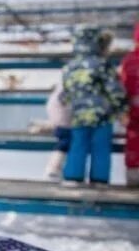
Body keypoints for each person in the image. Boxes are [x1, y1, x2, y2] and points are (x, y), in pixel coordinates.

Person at [60, 26, 127, 186]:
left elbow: (66, 90)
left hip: (78, 114)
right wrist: (121, 107)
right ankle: (99, 178)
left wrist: (68, 102)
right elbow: (114, 89)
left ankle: (73, 176)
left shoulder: (70, 66)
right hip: (102, 114)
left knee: (78, 144)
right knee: (101, 147)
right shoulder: (102, 64)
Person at [120, 22, 139, 187]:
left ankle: (134, 177)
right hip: (132, 110)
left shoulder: (129, 60)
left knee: (133, 141)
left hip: (133, 109)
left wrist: (123, 110)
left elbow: (123, 85)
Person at [44, 81, 72, 180]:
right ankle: (54, 168)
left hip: (60, 119)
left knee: (65, 142)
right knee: (65, 143)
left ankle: (56, 168)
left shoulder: (63, 87)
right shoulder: (68, 88)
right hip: (63, 121)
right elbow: (66, 104)